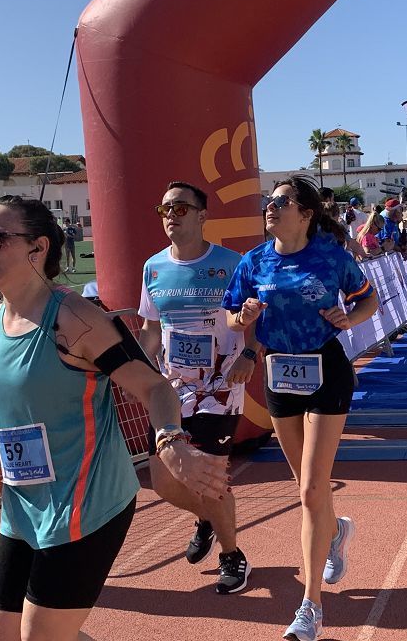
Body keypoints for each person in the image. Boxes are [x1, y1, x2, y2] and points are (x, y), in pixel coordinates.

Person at [0, 196, 227, 640]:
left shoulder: (75, 319)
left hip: (87, 503)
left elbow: (154, 386)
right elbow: (8, 411)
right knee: (3, 633)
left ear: (38, 248)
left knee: (40, 637)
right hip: (24, 505)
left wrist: (170, 441)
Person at [223, 176, 378, 641]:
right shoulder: (253, 261)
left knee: (313, 488)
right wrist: (243, 319)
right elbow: (232, 317)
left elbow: (366, 297)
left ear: (306, 213)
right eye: (268, 202)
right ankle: (335, 532)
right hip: (278, 374)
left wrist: (350, 317)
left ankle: (310, 607)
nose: (270, 207)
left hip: (325, 369)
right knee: (305, 486)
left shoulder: (331, 257)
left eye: (281, 202)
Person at [138, 181, 251, 594]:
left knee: (210, 477)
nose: (171, 215)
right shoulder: (153, 267)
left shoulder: (232, 263)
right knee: (164, 480)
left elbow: (252, 316)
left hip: (221, 387)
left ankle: (232, 555)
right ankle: (206, 517)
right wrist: (130, 367)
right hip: (173, 390)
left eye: (181, 208)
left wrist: (250, 355)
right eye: (165, 209)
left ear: (203, 216)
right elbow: (152, 330)